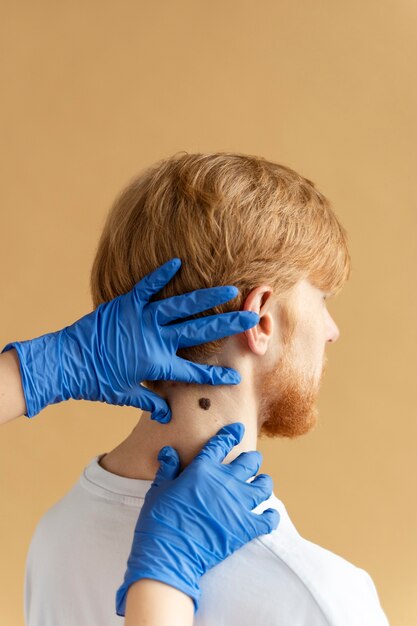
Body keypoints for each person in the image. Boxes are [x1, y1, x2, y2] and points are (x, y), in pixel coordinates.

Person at [16, 151, 390, 625]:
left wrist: (27, 372)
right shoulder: (321, 597)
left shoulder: (55, 537)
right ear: (261, 319)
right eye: (321, 299)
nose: (332, 330)